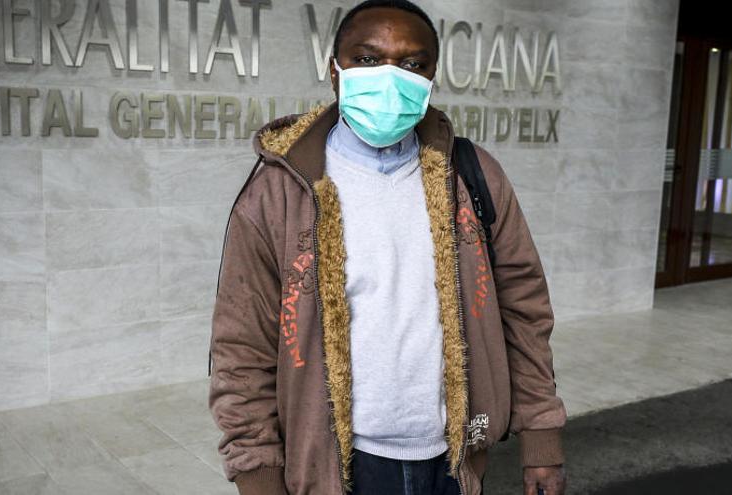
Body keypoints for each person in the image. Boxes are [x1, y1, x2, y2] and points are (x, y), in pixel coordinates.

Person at [208, 1, 568, 494]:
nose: (389, 77)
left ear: (432, 78)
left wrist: (542, 436)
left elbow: (524, 311)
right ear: (334, 72)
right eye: (368, 59)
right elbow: (241, 347)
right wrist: (258, 476)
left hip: (455, 459)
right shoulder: (279, 191)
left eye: (412, 64)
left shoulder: (472, 176)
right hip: (337, 465)